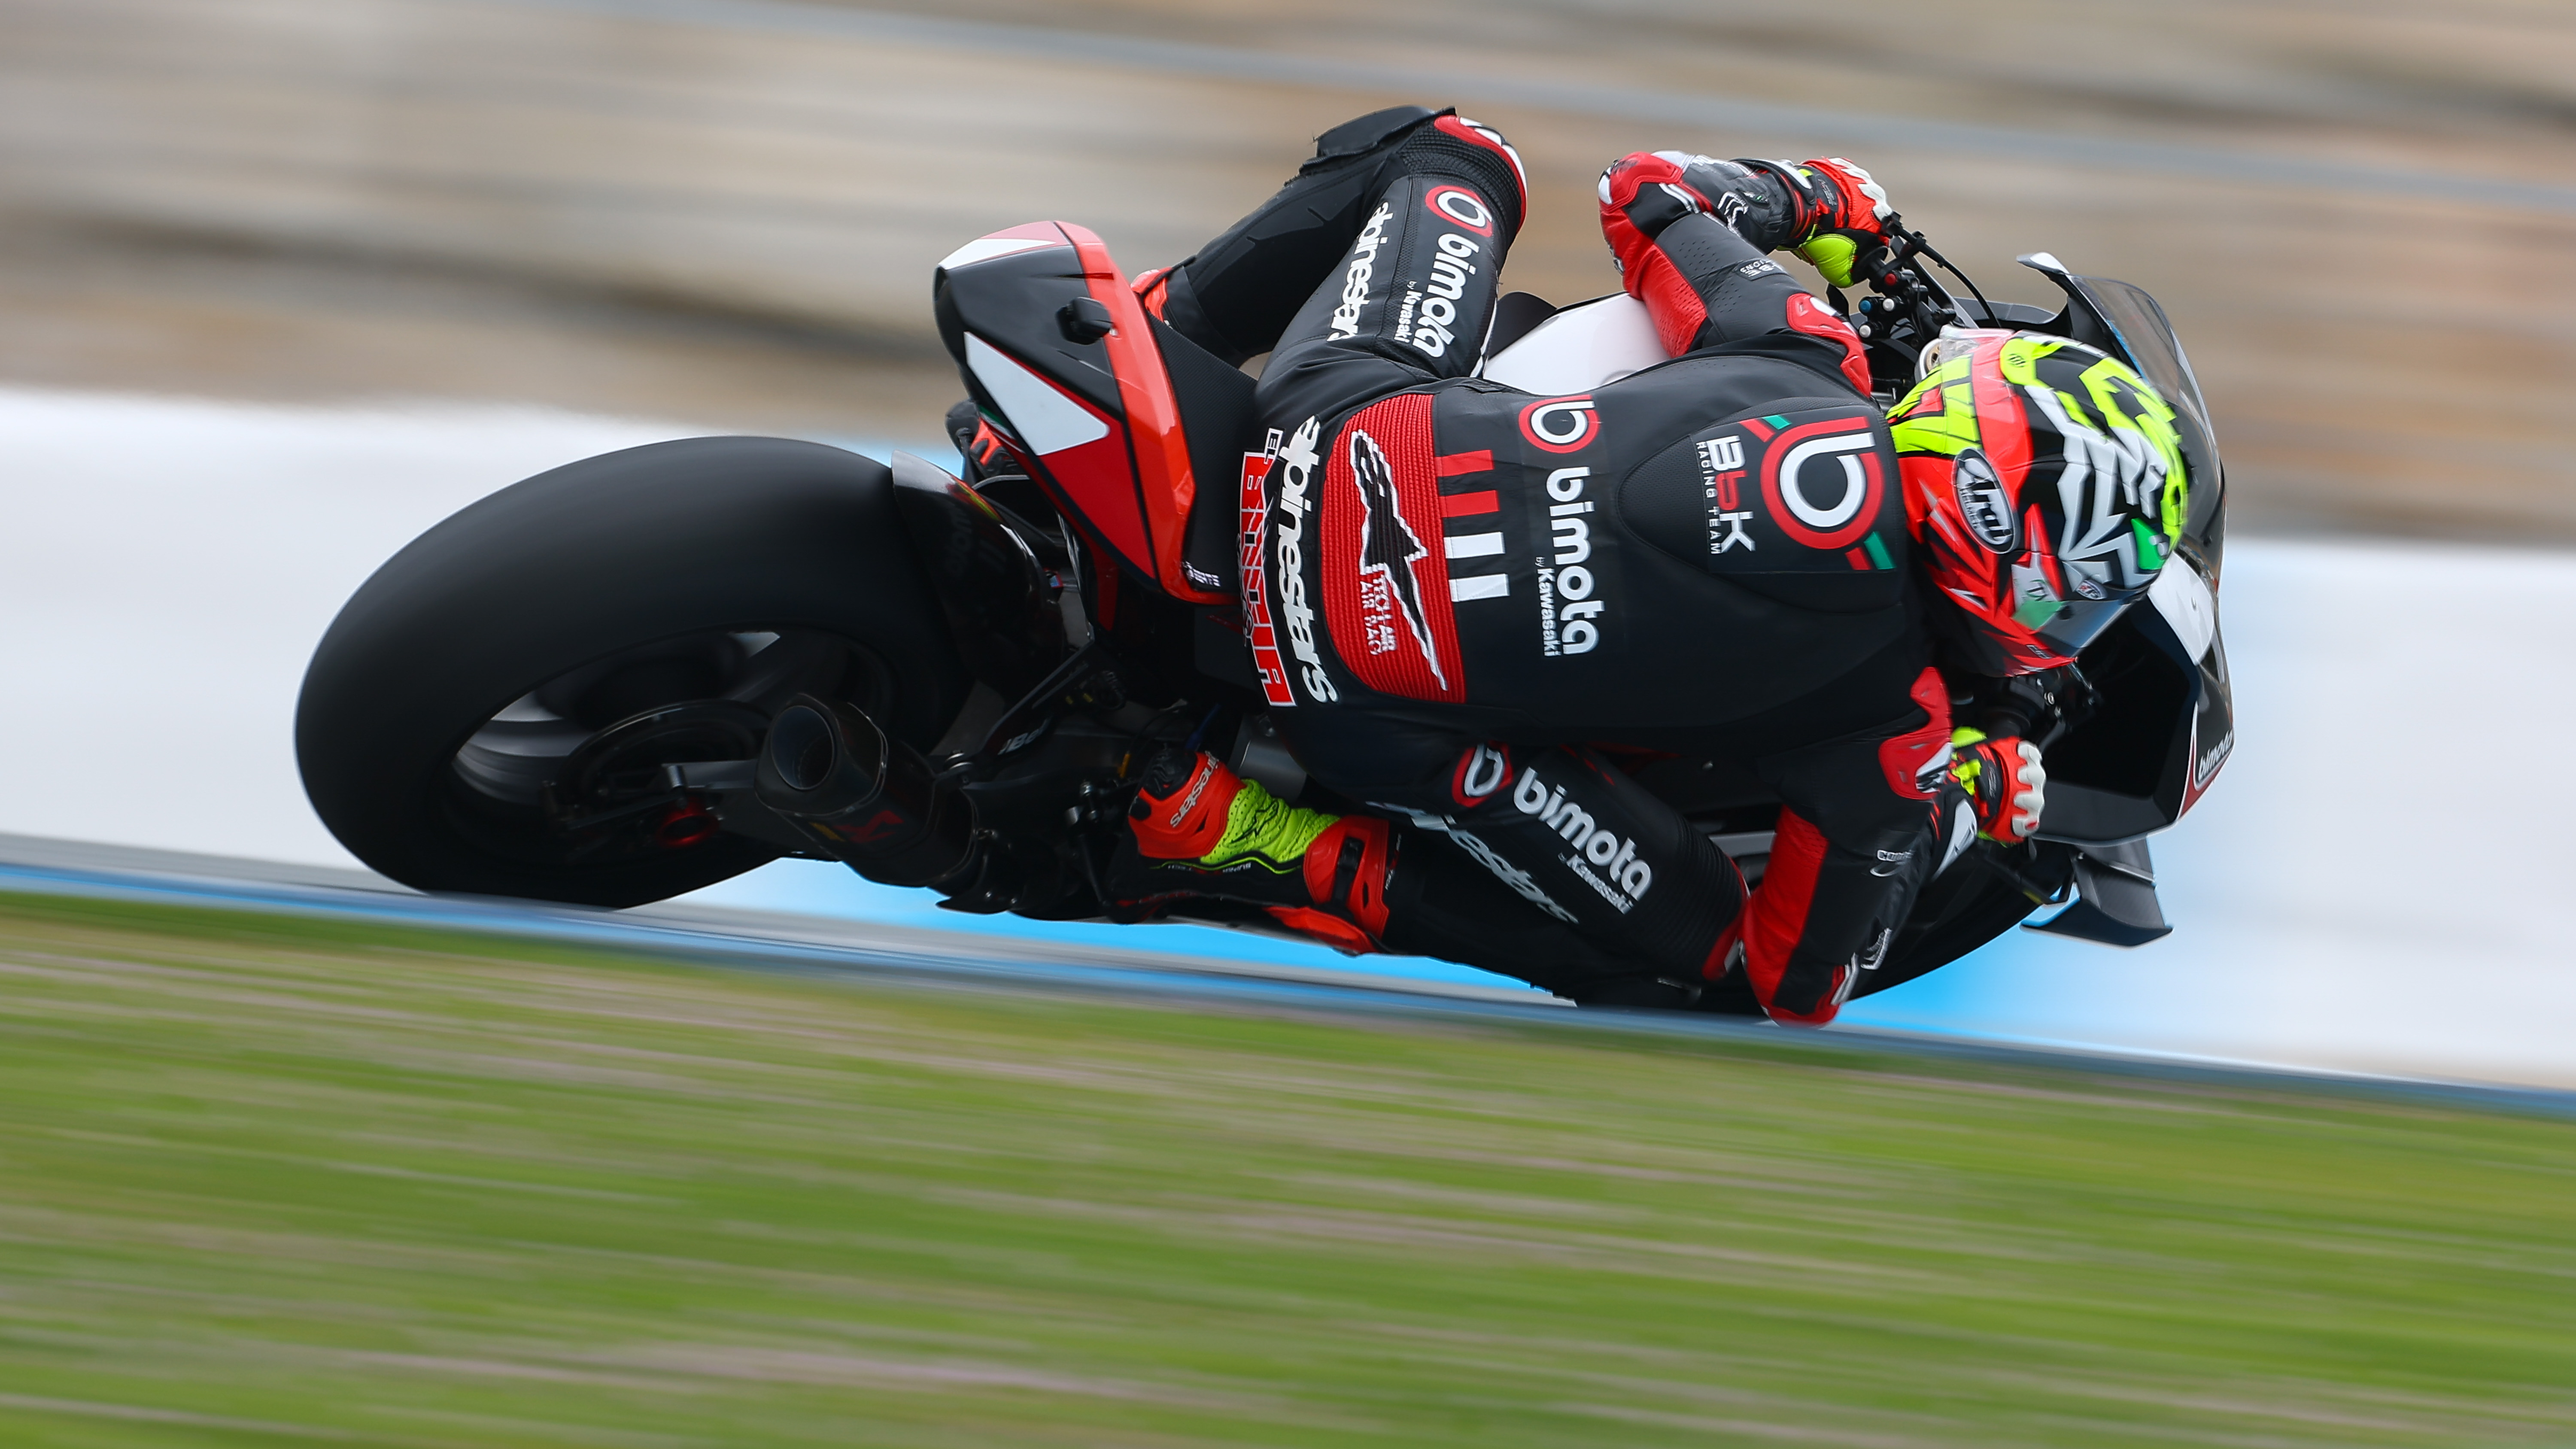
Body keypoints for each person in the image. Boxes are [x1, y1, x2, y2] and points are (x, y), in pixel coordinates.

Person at [1101, 106, 2187, 1024]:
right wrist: (1967, 790)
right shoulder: (1895, 737)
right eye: (2074, 594)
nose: (2067, 622)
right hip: (1351, 697)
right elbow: (1799, 984)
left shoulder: (1804, 347)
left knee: (1454, 152)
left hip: (1317, 429)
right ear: (2011, 562)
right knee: (1708, 964)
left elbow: (1646, 188)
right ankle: (1271, 845)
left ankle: (1150, 341)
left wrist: (1824, 205)